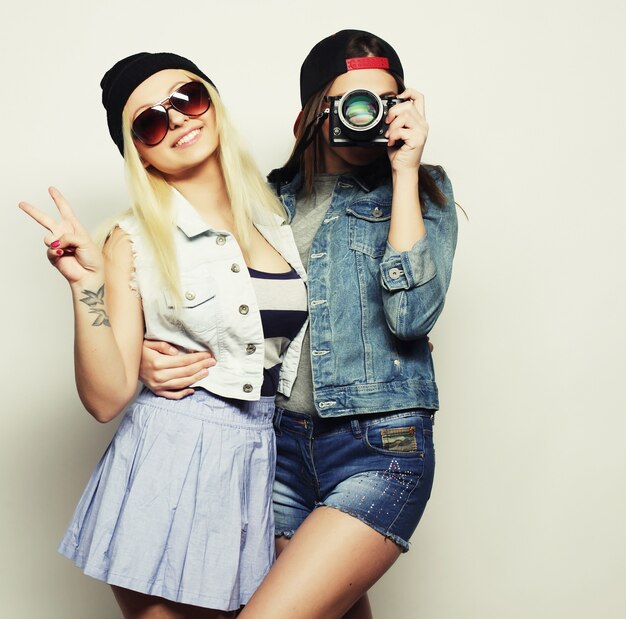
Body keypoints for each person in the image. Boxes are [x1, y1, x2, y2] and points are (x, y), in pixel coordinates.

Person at [140, 30, 458, 619]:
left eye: (381, 102)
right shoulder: (261, 202)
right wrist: (142, 353)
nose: (367, 117)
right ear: (314, 112)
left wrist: (407, 171)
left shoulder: (424, 192)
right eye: (350, 102)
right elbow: (213, 311)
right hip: (278, 447)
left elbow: (411, 317)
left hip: (380, 447)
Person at [19, 52, 307, 619]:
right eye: (150, 121)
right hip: (174, 459)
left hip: (264, 458)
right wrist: (86, 287)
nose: (176, 120)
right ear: (140, 155)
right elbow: (106, 397)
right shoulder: (132, 241)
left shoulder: (278, 222)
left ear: (213, 103)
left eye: (187, 98)